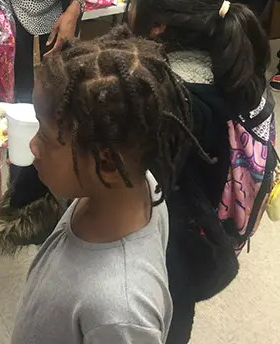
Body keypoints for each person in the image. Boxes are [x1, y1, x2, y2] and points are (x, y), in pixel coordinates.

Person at [11, 31, 201, 344]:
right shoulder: (137, 185)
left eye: (43, 135)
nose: (32, 145)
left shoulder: (121, 312)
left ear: (108, 163)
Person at [126, 0, 273, 343]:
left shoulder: (171, 98)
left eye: (135, 0)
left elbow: (137, 183)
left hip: (172, 239)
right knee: (178, 311)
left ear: (157, 25)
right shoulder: (236, 65)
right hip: (206, 225)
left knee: (161, 313)